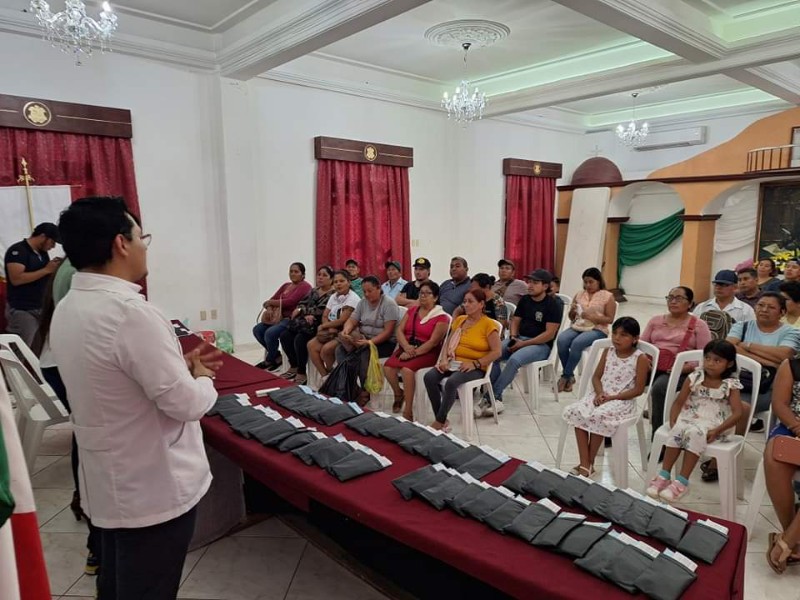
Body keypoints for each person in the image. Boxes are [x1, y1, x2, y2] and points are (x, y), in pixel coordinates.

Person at [51, 197, 223, 598]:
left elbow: (110, 378)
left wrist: (171, 364)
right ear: (120, 244)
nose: (146, 246)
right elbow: (186, 404)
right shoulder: (131, 313)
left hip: (109, 481)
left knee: (116, 585)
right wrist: (200, 377)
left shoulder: (70, 306)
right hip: (153, 487)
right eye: (140, 236)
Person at [33, 258, 101, 576]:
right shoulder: (80, 271)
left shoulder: (72, 268)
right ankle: (96, 539)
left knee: (86, 431)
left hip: (57, 356)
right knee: (90, 433)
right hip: (62, 359)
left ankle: (88, 512)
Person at [645, 340, 743, 502]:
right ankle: (664, 475)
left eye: (717, 360)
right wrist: (673, 421)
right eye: (708, 358)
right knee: (678, 429)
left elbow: (738, 413)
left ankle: (682, 481)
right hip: (691, 415)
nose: (710, 363)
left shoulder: (730, 385)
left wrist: (717, 431)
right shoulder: (695, 377)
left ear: (729, 364)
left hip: (716, 423)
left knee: (695, 432)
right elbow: (678, 402)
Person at [562, 317, 649, 477]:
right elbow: (596, 377)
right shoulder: (608, 352)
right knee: (577, 411)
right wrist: (600, 392)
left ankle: (587, 464)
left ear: (635, 338)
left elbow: (638, 390)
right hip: (600, 395)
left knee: (599, 415)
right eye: (615, 333)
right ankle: (586, 463)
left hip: (622, 400)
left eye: (623, 335)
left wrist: (612, 397)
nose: (617, 338)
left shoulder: (640, 358)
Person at [478, 269, 563, 417]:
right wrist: (513, 336)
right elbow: (515, 321)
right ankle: (495, 398)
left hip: (541, 346)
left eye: (535, 283)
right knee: (493, 354)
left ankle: (491, 396)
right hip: (520, 338)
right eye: (529, 282)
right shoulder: (525, 300)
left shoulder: (553, 305)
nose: (530, 285)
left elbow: (549, 334)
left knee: (515, 360)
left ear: (545, 286)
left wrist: (523, 344)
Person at [424, 289, 502, 431]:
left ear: (481, 304)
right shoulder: (460, 320)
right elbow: (448, 342)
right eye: (464, 301)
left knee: (452, 382)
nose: (465, 305)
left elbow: (497, 352)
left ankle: (439, 421)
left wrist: (475, 363)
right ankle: (441, 418)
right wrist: (443, 360)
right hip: (453, 361)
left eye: (470, 301)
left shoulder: (489, 325)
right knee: (429, 377)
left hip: (476, 366)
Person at [641, 287, 713, 440]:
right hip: (653, 366)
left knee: (659, 388)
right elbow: (642, 345)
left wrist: (686, 367)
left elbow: (705, 355)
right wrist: (646, 361)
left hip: (681, 370)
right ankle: (609, 424)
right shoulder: (655, 321)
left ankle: (658, 437)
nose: (673, 301)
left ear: (690, 304)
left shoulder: (699, 325)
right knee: (619, 376)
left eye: (679, 298)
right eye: (670, 297)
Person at [725, 291, 800, 437]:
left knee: (738, 407)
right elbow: (727, 349)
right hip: (736, 381)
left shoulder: (791, 332)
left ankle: (731, 447)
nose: (764, 310)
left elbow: (784, 355)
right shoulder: (742, 326)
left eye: (771, 307)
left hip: (767, 388)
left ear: (782, 312)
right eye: (760, 305)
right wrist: (771, 362)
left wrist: (746, 345)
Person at [383, 281, 449, 419]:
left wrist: (412, 354)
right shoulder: (412, 310)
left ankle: (408, 410)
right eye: (421, 293)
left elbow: (432, 342)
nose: (423, 296)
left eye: (427, 293)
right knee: (388, 368)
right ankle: (398, 393)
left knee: (407, 370)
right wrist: (406, 347)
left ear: (435, 297)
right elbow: (400, 330)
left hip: (427, 352)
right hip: (407, 347)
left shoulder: (441, 317)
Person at [336, 276, 401, 404]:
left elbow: (388, 332)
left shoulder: (389, 304)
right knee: (340, 350)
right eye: (364, 291)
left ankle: (366, 392)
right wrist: (346, 330)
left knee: (363, 352)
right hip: (364, 339)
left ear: (379, 288)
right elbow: (352, 320)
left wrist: (370, 342)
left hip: (385, 343)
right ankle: (352, 387)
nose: (366, 294)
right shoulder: (362, 303)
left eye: (370, 291)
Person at [763, 358, 800, 573]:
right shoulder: (792, 366)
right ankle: (792, 534)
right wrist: (797, 427)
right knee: (774, 458)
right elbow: (779, 403)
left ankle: (787, 540)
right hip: (792, 426)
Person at [557, 267, 616, 393]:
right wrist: (572, 311)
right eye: (585, 282)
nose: (587, 285)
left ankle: (565, 377)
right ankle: (570, 376)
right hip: (579, 325)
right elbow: (571, 317)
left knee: (577, 343)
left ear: (598, 281)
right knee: (562, 340)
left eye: (591, 282)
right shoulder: (579, 294)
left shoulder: (608, 296)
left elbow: (610, 319)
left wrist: (592, 317)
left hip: (598, 329)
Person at [3, 222, 62, 347]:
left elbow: (42, 274)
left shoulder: (42, 254)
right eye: (52, 242)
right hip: (22, 308)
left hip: (39, 306)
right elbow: (16, 279)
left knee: (37, 347)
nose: (53, 246)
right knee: (21, 347)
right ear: (42, 236)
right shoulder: (18, 251)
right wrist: (46, 270)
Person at [278, 266, 335, 385]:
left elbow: (322, 311)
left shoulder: (333, 294)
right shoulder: (314, 290)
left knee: (300, 339)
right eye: (319, 274)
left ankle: (301, 371)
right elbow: (301, 303)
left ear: (331, 279)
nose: (320, 277)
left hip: (320, 325)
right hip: (305, 322)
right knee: (285, 335)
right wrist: (303, 311)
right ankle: (293, 366)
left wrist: (304, 311)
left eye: (325, 275)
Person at [252, 262, 312, 371]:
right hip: (276, 318)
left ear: (303, 274)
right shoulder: (286, 285)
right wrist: (269, 307)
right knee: (258, 330)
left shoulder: (305, 286)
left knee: (270, 333)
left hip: (290, 319)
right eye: (291, 271)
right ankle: (276, 356)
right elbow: (273, 299)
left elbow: (290, 302)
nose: (293, 274)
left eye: (296, 272)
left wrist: (269, 302)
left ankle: (269, 360)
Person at [307, 270, 360, 378]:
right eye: (336, 282)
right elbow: (325, 315)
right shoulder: (334, 296)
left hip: (345, 331)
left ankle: (333, 376)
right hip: (331, 330)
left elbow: (342, 320)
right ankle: (325, 377)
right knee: (311, 345)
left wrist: (324, 326)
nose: (338, 284)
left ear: (349, 282)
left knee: (326, 349)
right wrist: (327, 328)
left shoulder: (353, 298)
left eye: (341, 281)